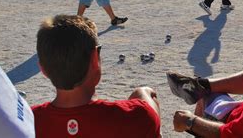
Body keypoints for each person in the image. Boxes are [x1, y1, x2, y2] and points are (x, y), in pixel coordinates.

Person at [32, 15, 160, 138]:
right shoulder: (137, 116)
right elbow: (146, 107)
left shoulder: (28, 121)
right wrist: (144, 92)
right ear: (94, 58)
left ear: (43, 69)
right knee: (145, 94)